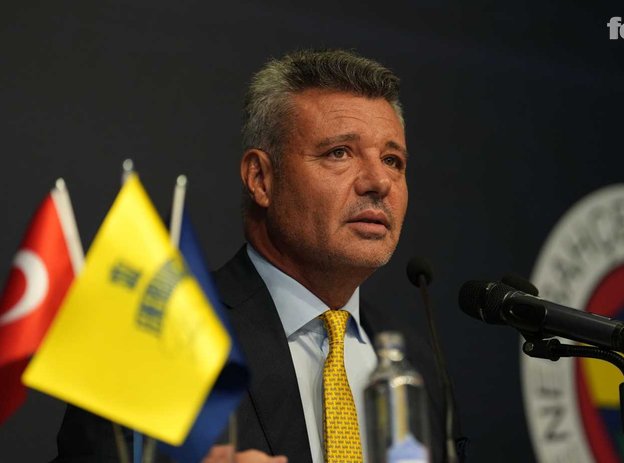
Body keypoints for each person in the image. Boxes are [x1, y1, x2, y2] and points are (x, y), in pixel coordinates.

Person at [54, 49, 461, 463]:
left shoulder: (416, 362)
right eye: (339, 152)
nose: (379, 181)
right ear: (261, 178)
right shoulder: (161, 335)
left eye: (393, 160)